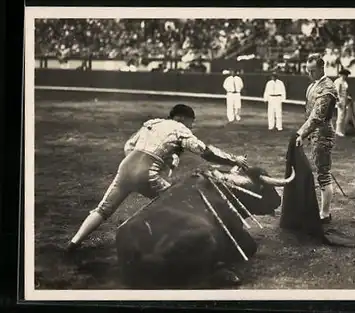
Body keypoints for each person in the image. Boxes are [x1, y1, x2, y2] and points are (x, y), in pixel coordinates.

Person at [67, 104, 249, 251]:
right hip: (147, 173)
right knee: (180, 205)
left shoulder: (151, 124)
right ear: (182, 118)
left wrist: (158, 161)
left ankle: (74, 242)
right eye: (191, 122)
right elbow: (206, 152)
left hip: (125, 168)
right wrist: (234, 159)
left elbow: (128, 146)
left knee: (103, 209)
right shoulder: (179, 128)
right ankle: (174, 245)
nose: (191, 127)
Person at [295, 54, 338, 223]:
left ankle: (325, 214)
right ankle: (321, 210)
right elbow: (309, 114)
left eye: (312, 71)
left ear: (322, 68)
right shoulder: (314, 86)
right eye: (308, 71)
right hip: (314, 132)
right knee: (318, 171)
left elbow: (317, 116)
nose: (310, 74)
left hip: (322, 133)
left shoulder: (328, 88)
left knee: (323, 173)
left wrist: (301, 133)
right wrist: (305, 133)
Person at [332, 69, 351, 136]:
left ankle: (341, 130)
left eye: (346, 75)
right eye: (344, 75)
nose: (345, 76)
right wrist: (338, 102)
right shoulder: (338, 81)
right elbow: (336, 93)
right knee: (340, 115)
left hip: (344, 99)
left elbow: (345, 92)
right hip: (340, 100)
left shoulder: (344, 82)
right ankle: (338, 131)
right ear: (341, 75)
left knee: (343, 115)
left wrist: (348, 97)